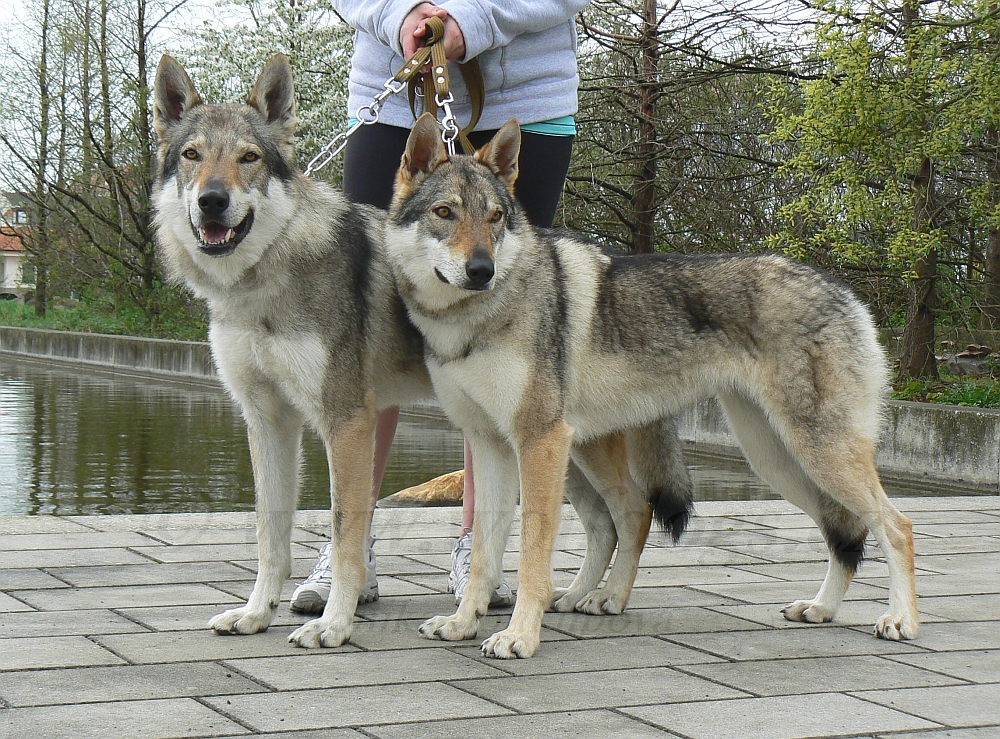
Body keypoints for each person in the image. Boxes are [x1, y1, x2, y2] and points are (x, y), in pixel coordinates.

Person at [291, 0, 588, 613]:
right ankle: (349, 549)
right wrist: (400, 13)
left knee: (502, 338)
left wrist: (474, 20)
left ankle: (478, 555)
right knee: (362, 336)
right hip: (391, 93)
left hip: (527, 96)